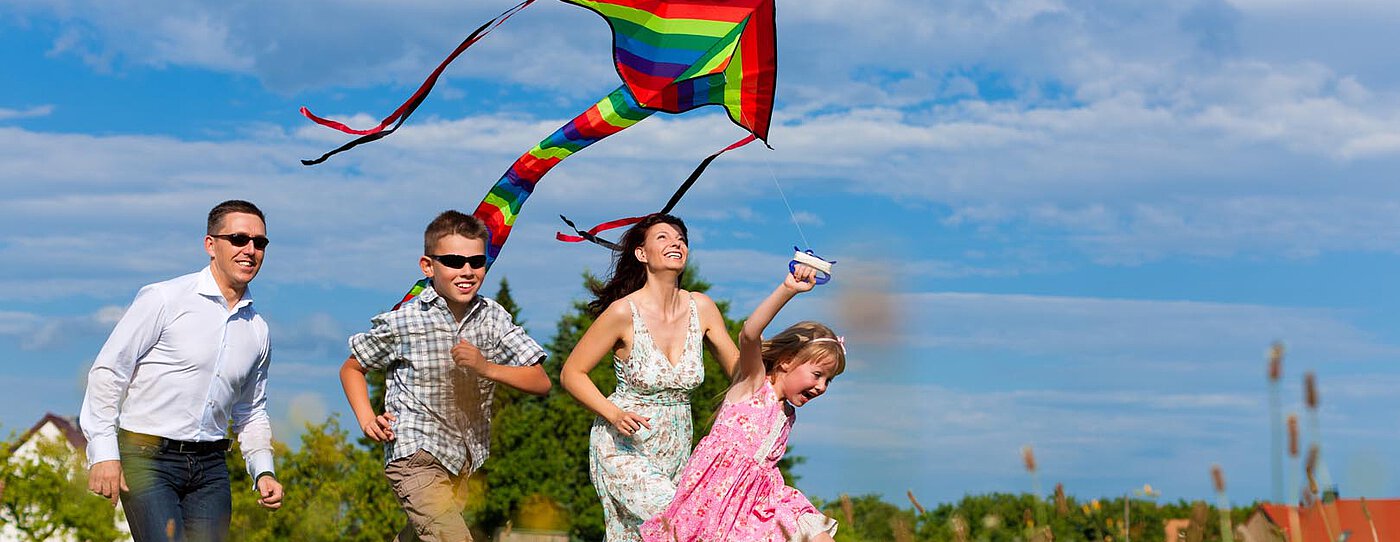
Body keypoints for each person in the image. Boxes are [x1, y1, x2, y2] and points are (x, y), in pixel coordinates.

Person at [80, 199, 284, 542]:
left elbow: (250, 411)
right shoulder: (163, 299)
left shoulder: (258, 329)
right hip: (147, 458)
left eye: (259, 242)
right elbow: (109, 372)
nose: (250, 250)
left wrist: (263, 469)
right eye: (238, 239)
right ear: (210, 244)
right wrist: (103, 453)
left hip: (211, 468)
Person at [340, 210, 550, 542]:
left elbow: (540, 381)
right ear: (428, 266)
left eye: (476, 262)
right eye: (453, 261)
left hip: (463, 462)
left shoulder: (493, 318)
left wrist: (486, 367)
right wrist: (366, 419)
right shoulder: (404, 320)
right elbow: (353, 367)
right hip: (414, 454)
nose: (467, 271)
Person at [560, 213, 740, 542]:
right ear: (641, 254)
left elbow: (743, 374)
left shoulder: (702, 307)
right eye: (663, 238)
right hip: (622, 444)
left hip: (676, 448)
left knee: (639, 538)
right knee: (682, 522)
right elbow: (572, 373)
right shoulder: (622, 312)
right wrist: (612, 413)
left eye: (681, 239)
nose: (676, 243)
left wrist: (787, 293)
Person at [640, 264, 845, 542]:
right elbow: (750, 333)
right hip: (716, 501)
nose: (821, 386)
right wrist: (788, 289)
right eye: (817, 375)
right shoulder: (754, 383)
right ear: (786, 361)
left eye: (828, 381)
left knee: (817, 535)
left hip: (762, 502)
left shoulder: (788, 414)